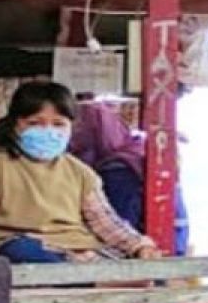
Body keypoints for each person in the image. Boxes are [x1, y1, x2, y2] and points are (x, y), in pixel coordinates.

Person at [0, 81, 161, 264]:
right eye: (35, 123)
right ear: (15, 124)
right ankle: (94, 281)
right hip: (24, 253)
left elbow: (106, 223)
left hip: (80, 252)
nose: (48, 131)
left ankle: (93, 279)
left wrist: (139, 246)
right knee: (21, 250)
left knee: (151, 272)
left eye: (58, 124)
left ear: (71, 127)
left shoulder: (80, 172)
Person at [69, 100, 190, 255]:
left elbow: (113, 224)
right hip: (165, 248)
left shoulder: (115, 170)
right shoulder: (138, 152)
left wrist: (137, 246)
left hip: (140, 253)